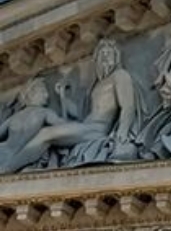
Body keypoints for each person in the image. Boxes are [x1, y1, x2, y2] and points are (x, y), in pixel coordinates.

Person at [3, 39, 138, 172]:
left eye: (109, 55)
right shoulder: (97, 84)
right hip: (86, 127)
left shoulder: (120, 76)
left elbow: (128, 106)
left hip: (98, 129)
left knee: (46, 133)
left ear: (116, 57)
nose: (106, 58)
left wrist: (123, 131)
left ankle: (7, 169)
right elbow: (81, 114)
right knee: (48, 132)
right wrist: (63, 96)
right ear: (96, 60)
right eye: (102, 55)